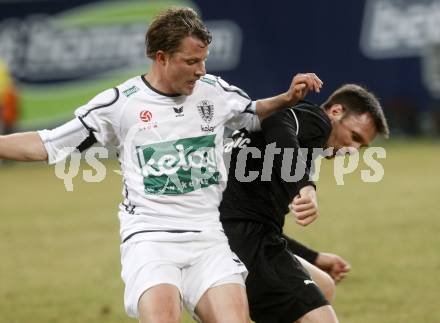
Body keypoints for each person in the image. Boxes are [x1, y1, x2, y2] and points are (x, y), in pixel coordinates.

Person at [0, 7, 323, 323]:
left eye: (204, 60)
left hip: (208, 236)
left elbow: (252, 113)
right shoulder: (120, 103)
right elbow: (46, 144)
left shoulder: (214, 91)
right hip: (151, 239)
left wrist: (287, 98)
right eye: (191, 61)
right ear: (161, 57)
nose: (201, 69)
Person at [220, 84, 389, 323]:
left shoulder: (293, 146)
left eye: (361, 147)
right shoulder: (317, 121)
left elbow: (257, 222)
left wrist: (314, 256)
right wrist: (304, 185)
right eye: (354, 137)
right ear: (335, 112)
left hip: (230, 234)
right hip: (239, 242)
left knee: (324, 285)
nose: (353, 151)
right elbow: (276, 117)